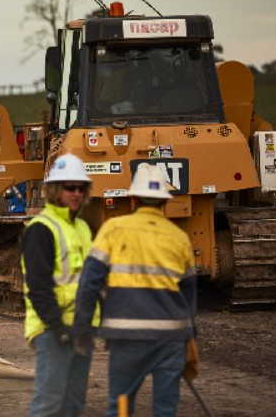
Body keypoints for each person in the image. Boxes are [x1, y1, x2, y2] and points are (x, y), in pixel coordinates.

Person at [73, 163, 197, 417]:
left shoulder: (113, 230)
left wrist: (83, 329)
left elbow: (89, 284)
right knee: (165, 410)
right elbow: (189, 296)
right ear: (164, 201)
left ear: (133, 197)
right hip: (171, 339)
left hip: (126, 338)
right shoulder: (179, 238)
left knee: (120, 408)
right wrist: (189, 336)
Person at [22, 154, 98, 417]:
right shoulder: (41, 228)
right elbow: (38, 285)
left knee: (73, 406)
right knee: (49, 404)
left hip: (81, 329)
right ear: (55, 190)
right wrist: (58, 327)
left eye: (80, 188)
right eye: (69, 187)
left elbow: (90, 281)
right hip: (53, 330)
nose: (76, 193)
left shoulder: (83, 228)